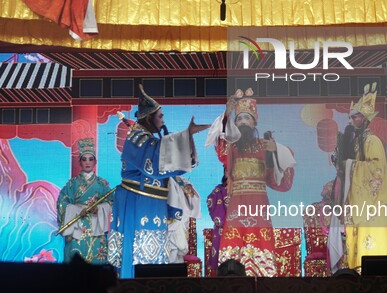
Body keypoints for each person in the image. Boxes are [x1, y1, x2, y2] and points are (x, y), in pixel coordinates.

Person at [107, 85, 208, 278]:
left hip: (151, 202)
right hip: (137, 202)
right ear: (148, 118)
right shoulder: (138, 139)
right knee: (138, 252)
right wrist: (187, 135)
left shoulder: (148, 140)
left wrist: (188, 136)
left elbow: (165, 154)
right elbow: (155, 163)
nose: (162, 120)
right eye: (160, 116)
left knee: (154, 253)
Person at [205, 88, 296, 277]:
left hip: (258, 204)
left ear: (255, 122)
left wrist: (275, 149)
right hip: (236, 203)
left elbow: (279, 172)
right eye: (239, 119)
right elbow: (218, 140)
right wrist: (228, 112)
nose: (243, 122)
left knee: (261, 244)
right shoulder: (231, 147)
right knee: (233, 246)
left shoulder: (264, 145)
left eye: (247, 118)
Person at [342, 83, 387, 271]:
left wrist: (351, 166)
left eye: (354, 117)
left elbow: (377, 170)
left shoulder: (372, 141)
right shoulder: (357, 143)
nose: (350, 121)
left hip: (371, 205)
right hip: (360, 203)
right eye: (350, 117)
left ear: (365, 119)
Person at [57, 138, 113, 264]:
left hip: (96, 225)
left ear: (95, 162)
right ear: (80, 162)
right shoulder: (72, 184)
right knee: (76, 259)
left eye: (91, 159)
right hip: (77, 226)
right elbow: (62, 202)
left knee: (97, 260)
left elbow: (112, 202)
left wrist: (99, 208)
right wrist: (76, 210)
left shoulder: (102, 184)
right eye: (84, 159)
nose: (87, 162)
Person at [206, 167, 229, 274]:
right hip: (222, 230)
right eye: (227, 170)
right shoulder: (218, 191)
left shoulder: (244, 190)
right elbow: (210, 202)